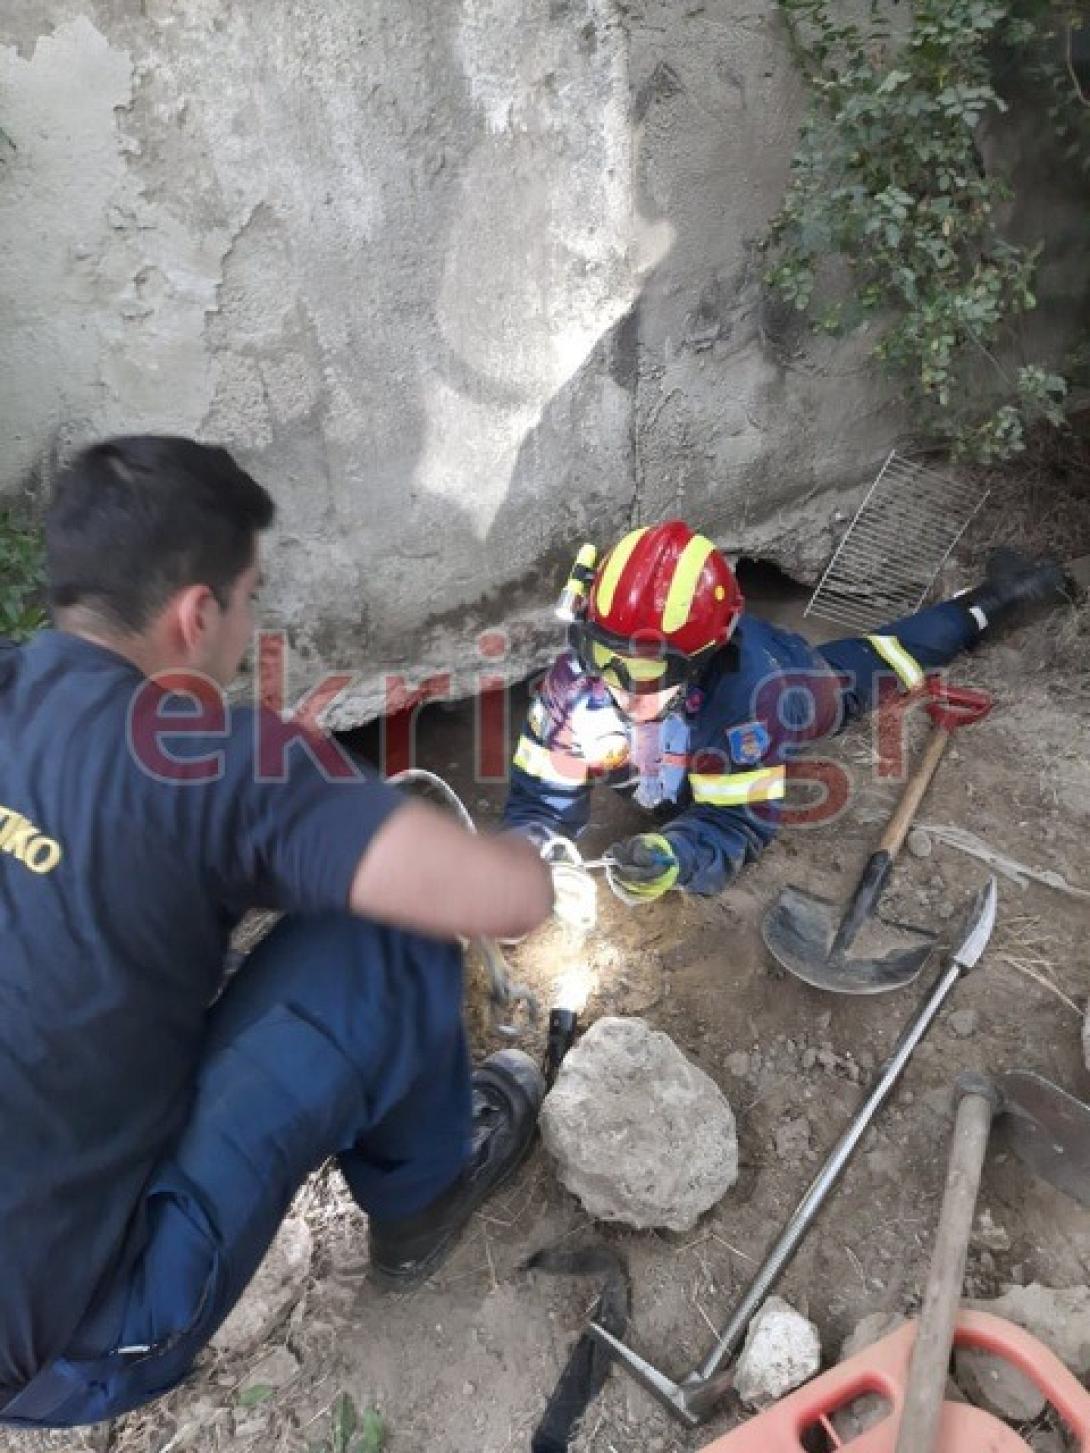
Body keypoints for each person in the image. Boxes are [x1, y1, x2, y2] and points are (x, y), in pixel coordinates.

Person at [0, 436, 554, 1429]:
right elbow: (500, 900)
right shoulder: (213, 757)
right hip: (81, 1341)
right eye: (250, 598)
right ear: (196, 613)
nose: (251, 624)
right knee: (381, 937)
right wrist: (534, 845)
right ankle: (425, 1198)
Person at [502, 520, 1069, 900]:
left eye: (648, 670)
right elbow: (539, 796)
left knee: (884, 661)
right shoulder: (579, 681)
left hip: (797, 677)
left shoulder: (755, 699)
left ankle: (998, 600)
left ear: (699, 661)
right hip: (729, 670)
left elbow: (734, 826)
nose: (620, 687)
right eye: (604, 653)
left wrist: (677, 853)